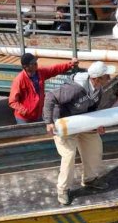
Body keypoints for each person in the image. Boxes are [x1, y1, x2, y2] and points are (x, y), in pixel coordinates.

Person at [44, 61, 112, 206]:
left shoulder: (99, 89)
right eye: (107, 75)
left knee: (95, 146)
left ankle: (89, 179)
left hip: (83, 122)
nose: (110, 77)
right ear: (96, 78)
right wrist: (49, 121)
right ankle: (63, 190)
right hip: (64, 124)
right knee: (69, 155)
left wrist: (98, 124)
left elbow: (93, 108)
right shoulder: (75, 88)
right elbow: (50, 97)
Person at [9, 53, 78, 124]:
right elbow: (13, 101)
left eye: (36, 62)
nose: (36, 64)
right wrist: (25, 111)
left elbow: (54, 69)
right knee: (27, 135)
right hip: (24, 119)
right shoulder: (19, 80)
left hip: (38, 114)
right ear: (25, 66)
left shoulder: (40, 72)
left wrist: (70, 64)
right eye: (33, 63)